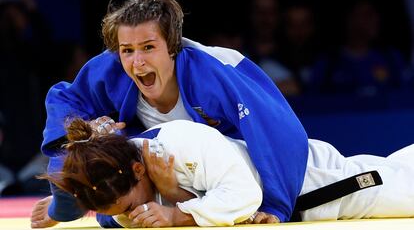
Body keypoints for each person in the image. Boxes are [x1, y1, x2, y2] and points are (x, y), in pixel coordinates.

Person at [31, 0, 308, 228]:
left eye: (148, 47)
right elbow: (64, 105)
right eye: (127, 50)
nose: (137, 61)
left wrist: (276, 205)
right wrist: (66, 201)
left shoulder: (214, 74)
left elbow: (280, 132)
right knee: (111, 216)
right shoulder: (110, 70)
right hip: (177, 187)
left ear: (173, 46)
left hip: (244, 178)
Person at [36, 118, 414, 228]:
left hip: (317, 185)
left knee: (401, 188)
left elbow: (244, 194)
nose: (128, 216)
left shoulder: (184, 142)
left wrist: (176, 212)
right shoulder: (116, 187)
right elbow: (109, 213)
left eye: (128, 205)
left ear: (139, 169)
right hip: (304, 185)